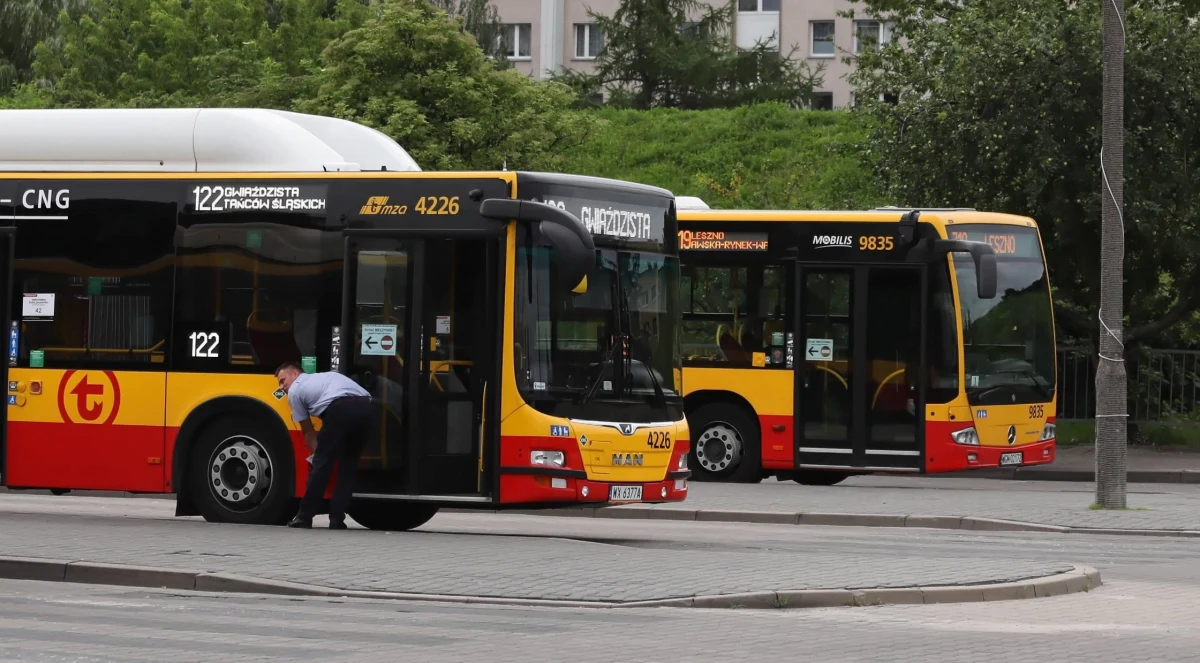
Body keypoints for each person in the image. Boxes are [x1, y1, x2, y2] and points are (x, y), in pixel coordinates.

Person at [274, 361, 373, 529]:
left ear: (295, 374)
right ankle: (337, 519)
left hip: (340, 408)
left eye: (283, 381)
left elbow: (308, 431)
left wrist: (316, 457)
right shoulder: (325, 377)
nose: (282, 387)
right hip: (366, 408)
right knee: (348, 466)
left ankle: (304, 517)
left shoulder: (296, 390)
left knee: (322, 465)